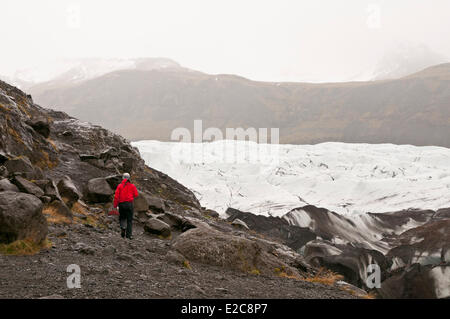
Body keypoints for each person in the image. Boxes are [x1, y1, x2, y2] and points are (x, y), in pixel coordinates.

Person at [113, 173, 139, 239]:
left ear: (123, 178)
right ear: (129, 178)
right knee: (129, 220)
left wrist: (115, 205)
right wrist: (130, 195)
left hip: (121, 204)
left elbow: (116, 197)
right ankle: (129, 235)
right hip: (129, 204)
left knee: (122, 218)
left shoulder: (120, 186)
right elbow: (136, 194)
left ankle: (123, 228)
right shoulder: (132, 186)